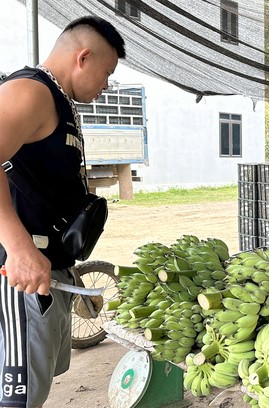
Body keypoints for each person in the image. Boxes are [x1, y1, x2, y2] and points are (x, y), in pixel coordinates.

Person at [0, 16, 125, 407]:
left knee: (35, 389)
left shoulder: (59, 102)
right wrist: (19, 249)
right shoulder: (30, 91)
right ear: (83, 57)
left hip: (47, 272)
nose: (106, 87)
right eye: (106, 74)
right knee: (19, 399)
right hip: (18, 276)